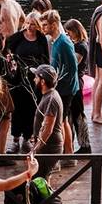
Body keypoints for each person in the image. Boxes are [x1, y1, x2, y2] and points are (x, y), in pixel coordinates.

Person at [5, 12, 49, 152]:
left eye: (33, 24)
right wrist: (11, 62)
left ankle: (27, 138)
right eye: (28, 23)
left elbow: (46, 59)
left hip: (34, 79)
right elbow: (7, 51)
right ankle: (15, 140)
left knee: (32, 109)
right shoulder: (17, 37)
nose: (29, 27)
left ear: (38, 26)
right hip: (18, 79)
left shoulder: (41, 39)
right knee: (17, 109)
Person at [42, 10, 78, 161]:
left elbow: (72, 67)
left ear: (54, 25)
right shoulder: (55, 41)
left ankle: (69, 154)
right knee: (62, 121)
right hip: (59, 88)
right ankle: (66, 152)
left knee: (62, 121)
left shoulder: (63, 42)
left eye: (45, 25)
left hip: (65, 89)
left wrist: (57, 85)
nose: (42, 28)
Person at [30, 64, 65, 179]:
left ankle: (51, 198)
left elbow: (48, 129)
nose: (34, 79)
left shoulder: (51, 99)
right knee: (43, 180)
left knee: (39, 180)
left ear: (43, 81)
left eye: (36, 77)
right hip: (48, 145)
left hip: (49, 147)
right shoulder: (50, 95)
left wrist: (35, 150)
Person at [63, 19, 92, 154]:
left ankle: (85, 145)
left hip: (76, 83)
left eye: (69, 33)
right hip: (73, 82)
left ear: (75, 31)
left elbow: (73, 63)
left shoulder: (80, 46)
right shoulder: (77, 44)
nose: (68, 35)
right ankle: (71, 144)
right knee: (70, 115)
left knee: (78, 114)